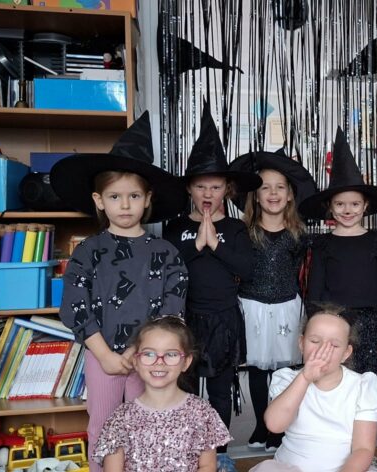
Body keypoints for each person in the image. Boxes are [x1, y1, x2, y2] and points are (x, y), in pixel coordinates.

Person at [51, 112, 189, 472]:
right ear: (99, 200)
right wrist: (106, 355)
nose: (125, 205)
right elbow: (74, 305)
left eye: (133, 196)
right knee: (103, 425)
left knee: (149, 425)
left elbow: (171, 310)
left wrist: (138, 351)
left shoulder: (166, 254)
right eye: (115, 196)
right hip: (103, 358)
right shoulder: (87, 251)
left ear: (147, 199)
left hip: (152, 359)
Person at [163, 102, 263, 436]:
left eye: (216, 187)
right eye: (201, 186)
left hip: (223, 320)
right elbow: (166, 270)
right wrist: (196, 244)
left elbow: (248, 270)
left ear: (227, 190)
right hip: (185, 319)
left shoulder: (235, 229)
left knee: (220, 391)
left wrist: (215, 245)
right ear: (189, 188)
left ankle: (218, 451)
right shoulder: (176, 227)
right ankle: (191, 448)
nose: (208, 193)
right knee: (186, 390)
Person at [227, 148, 317, 451]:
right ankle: (261, 424)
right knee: (257, 369)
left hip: (286, 308)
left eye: (280, 187)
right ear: (255, 196)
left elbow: (304, 272)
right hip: (252, 307)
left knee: (283, 371)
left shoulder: (299, 234)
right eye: (265, 187)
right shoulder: (245, 232)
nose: (273, 193)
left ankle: (279, 427)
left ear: (290, 195)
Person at [299, 127, 377, 375]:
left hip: (372, 323)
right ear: (330, 207)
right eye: (340, 204)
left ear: (365, 206)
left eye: (354, 204)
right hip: (334, 322)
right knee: (333, 378)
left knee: (367, 380)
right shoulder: (322, 243)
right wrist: (314, 329)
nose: (347, 210)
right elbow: (315, 291)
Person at [250, 304, 377, 472]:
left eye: (334, 345)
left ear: (346, 353)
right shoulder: (287, 379)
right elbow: (275, 425)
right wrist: (304, 378)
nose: (323, 350)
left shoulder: (361, 386)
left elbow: (363, 449)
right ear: (301, 343)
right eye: (314, 341)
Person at [95, 316, 231, 472]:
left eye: (171, 354)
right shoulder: (120, 418)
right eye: (149, 354)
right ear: (135, 361)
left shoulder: (202, 412)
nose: (159, 362)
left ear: (186, 362)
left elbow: (208, 466)